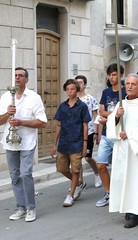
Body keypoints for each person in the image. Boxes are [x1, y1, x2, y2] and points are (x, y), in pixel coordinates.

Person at [107, 73, 138, 228]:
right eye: (127, 84)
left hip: (137, 150)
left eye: (133, 84)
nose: (129, 86)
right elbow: (111, 125)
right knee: (122, 179)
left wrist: (130, 134)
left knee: (135, 180)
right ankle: (125, 208)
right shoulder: (121, 104)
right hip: (122, 148)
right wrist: (116, 116)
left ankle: (134, 213)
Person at [0, 67, 47, 222]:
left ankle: (31, 208)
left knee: (25, 173)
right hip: (10, 143)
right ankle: (21, 207)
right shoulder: (6, 97)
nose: (17, 78)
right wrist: (7, 113)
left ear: (27, 79)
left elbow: (42, 123)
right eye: (15, 76)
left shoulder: (34, 97)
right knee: (14, 176)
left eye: (21, 76)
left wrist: (22, 122)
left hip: (27, 142)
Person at [51, 79, 91, 207]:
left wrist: (85, 143)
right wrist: (54, 143)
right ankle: (79, 183)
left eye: (72, 89)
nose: (70, 91)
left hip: (77, 142)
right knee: (62, 168)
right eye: (68, 89)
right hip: (63, 142)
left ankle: (71, 194)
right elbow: (58, 124)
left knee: (75, 169)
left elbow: (85, 125)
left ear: (77, 90)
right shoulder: (62, 106)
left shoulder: (82, 106)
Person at [95, 63, 126, 207]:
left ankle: (123, 193)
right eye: (110, 75)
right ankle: (109, 192)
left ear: (120, 75)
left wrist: (111, 116)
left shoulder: (125, 92)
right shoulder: (106, 92)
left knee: (121, 167)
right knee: (100, 165)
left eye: (114, 74)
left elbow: (126, 112)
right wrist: (114, 115)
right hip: (107, 133)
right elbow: (102, 111)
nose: (111, 77)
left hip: (120, 134)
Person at [75, 75, 102, 189]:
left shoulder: (90, 98)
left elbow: (97, 116)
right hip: (76, 132)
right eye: (76, 82)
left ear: (85, 85)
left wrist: (96, 132)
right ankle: (80, 180)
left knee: (87, 157)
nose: (78, 85)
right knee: (77, 158)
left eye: (80, 82)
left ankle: (97, 173)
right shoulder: (73, 98)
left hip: (89, 131)